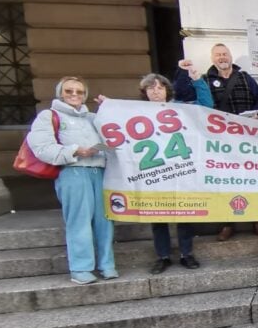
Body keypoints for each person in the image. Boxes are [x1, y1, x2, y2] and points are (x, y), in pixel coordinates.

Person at [175, 44, 258, 240]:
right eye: (218, 55)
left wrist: (257, 115)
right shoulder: (203, 80)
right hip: (219, 142)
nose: (222, 57)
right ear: (212, 58)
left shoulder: (246, 78)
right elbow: (184, 97)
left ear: (230, 56)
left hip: (247, 139)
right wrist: (182, 72)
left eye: (225, 54)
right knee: (225, 181)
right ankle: (227, 223)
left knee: (253, 180)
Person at [27, 77, 117, 284]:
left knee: (105, 221)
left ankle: (106, 264)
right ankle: (81, 268)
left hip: (100, 172)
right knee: (79, 221)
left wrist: (111, 109)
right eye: (69, 91)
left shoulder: (93, 117)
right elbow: (42, 147)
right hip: (72, 171)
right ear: (61, 93)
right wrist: (74, 150)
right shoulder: (48, 116)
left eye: (79, 91)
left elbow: (118, 135)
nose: (74, 95)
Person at [139, 73, 212, 274]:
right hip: (153, 170)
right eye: (151, 88)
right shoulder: (135, 112)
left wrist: (197, 80)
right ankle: (162, 256)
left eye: (160, 87)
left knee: (184, 212)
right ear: (145, 92)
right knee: (157, 215)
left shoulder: (181, 108)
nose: (156, 91)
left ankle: (186, 253)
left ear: (167, 90)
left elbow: (206, 106)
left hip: (180, 168)